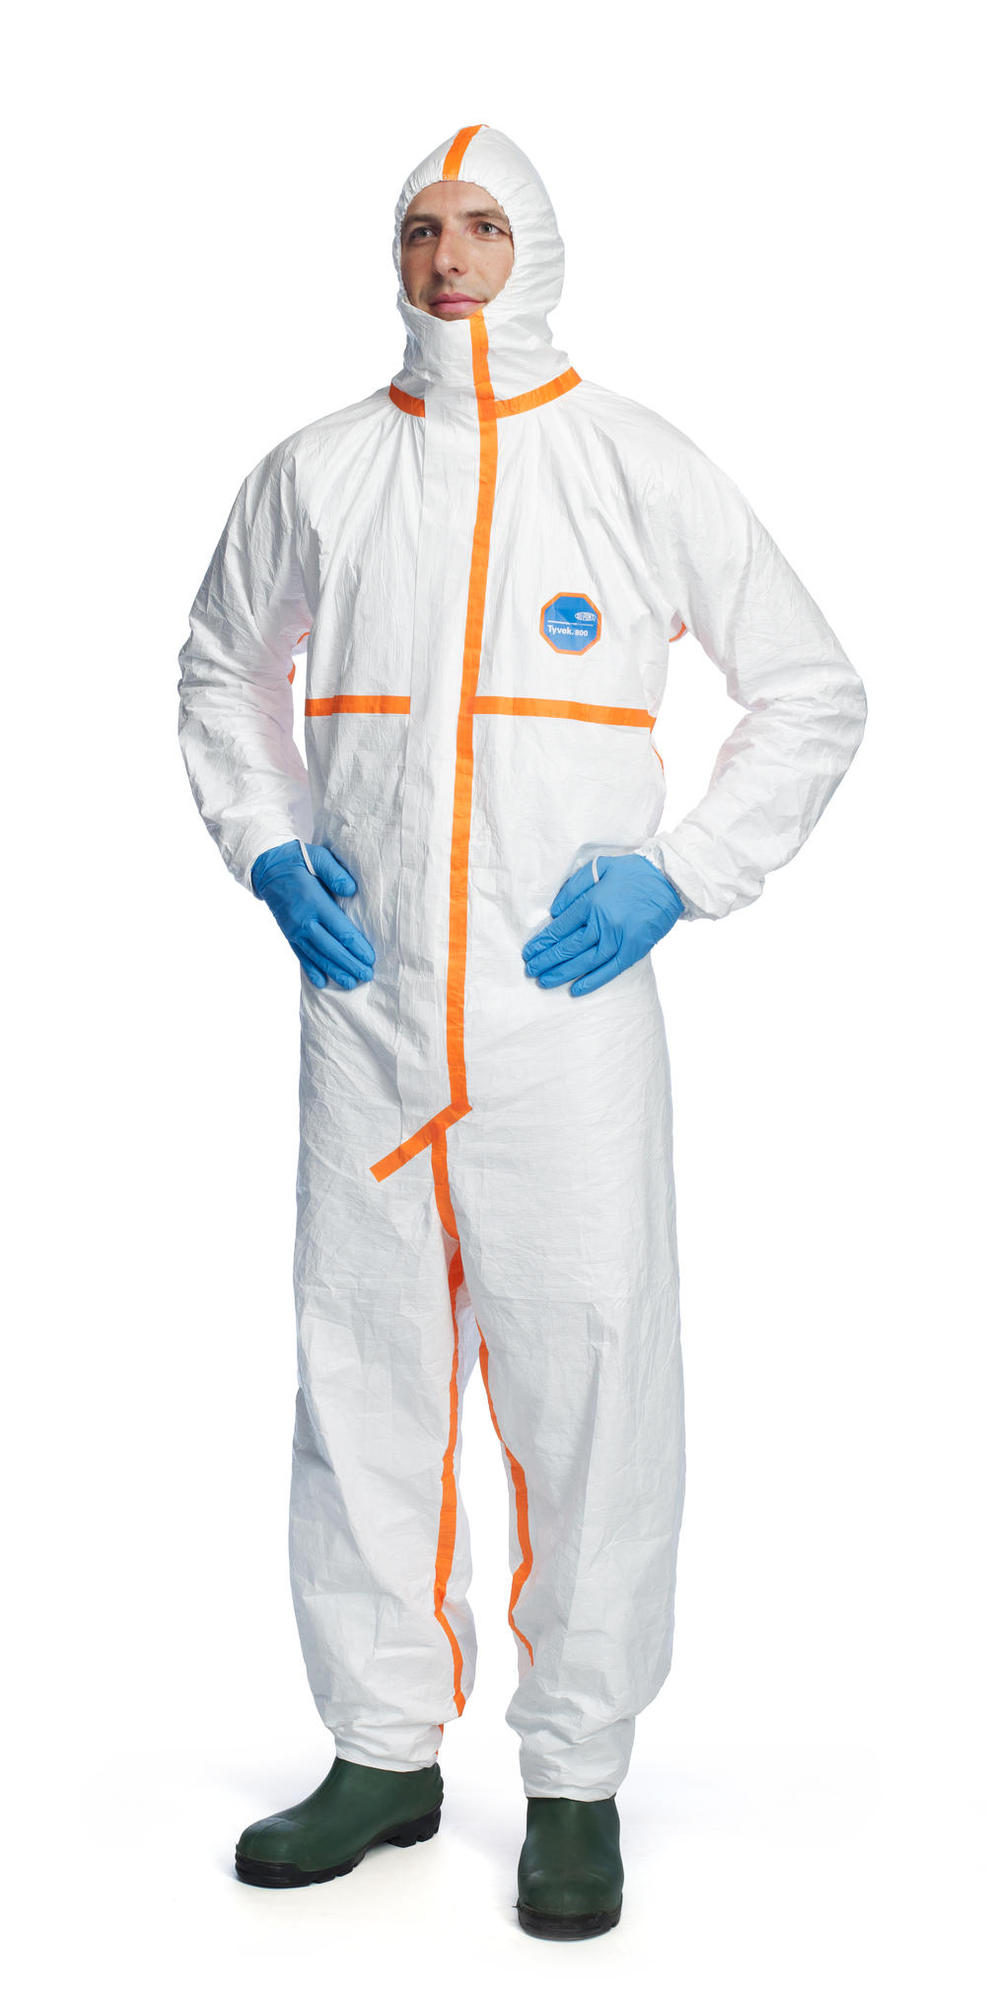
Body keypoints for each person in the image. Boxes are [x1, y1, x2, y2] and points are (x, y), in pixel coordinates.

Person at [177, 122, 866, 1942]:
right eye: (423, 227)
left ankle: (575, 1774)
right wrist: (268, 845)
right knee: (362, 1376)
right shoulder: (319, 470)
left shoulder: (634, 461)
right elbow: (221, 670)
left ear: (535, 247)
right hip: (369, 1009)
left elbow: (811, 689)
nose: (451, 256)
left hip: (563, 1014)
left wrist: (685, 872)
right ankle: (382, 1751)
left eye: (483, 225)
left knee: (593, 1377)